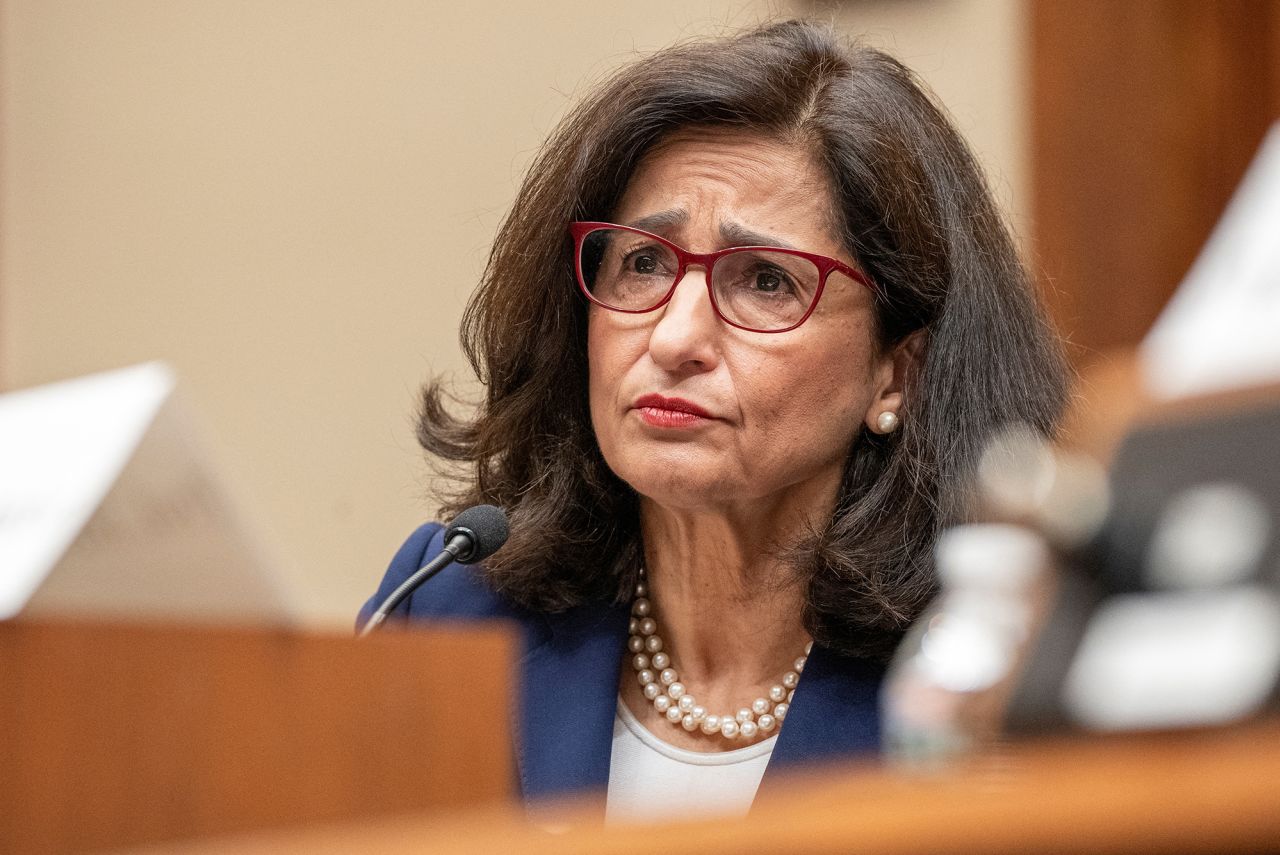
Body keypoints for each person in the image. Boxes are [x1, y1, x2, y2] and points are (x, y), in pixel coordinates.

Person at [360, 19, 1068, 821]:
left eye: (765, 280)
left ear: (895, 371)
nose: (674, 337)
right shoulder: (453, 609)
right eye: (644, 263)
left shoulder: (990, 675)